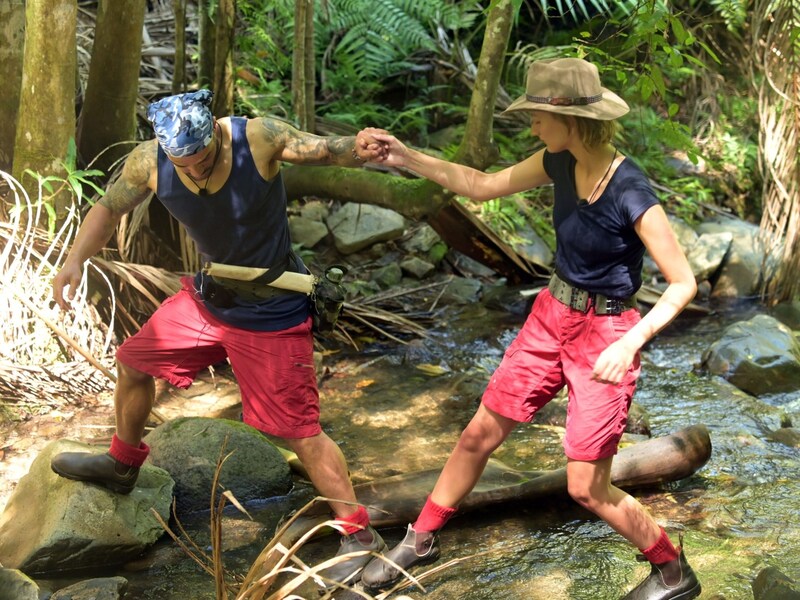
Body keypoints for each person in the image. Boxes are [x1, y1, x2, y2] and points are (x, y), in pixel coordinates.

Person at [360, 57, 702, 600]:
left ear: (574, 121)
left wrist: (630, 342)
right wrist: (406, 156)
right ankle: (420, 538)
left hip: (607, 333)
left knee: (586, 487)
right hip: (550, 317)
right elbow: (479, 184)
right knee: (478, 435)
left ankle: (673, 570)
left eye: (540, 117)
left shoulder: (631, 190)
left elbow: (683, 283)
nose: (533, 126)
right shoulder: (558, 160)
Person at [50, 89, 388, 589]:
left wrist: (356, 146)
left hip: (272, 307)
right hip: (211, 300)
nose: (195, 171)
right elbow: (107, 209)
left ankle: (360, 536)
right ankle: (123, 464)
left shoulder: (257, 138)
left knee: (300, 430)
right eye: (183, 163)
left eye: (204, 159)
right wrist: (75, 259)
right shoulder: (149, 161)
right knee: (134, 361)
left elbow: (322, 147)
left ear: (215, 136)